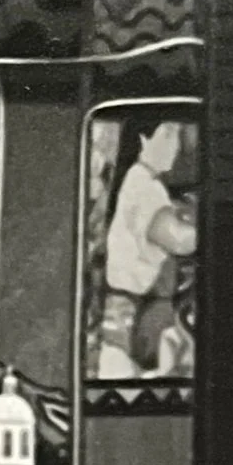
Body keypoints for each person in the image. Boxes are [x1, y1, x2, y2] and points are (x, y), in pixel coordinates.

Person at [95, 117, 197, 379]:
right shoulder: (144, 187)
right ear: (143, 140)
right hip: (127, 307)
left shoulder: (144, 183)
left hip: (136, 302)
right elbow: (177, 238)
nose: (173, 149)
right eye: (167, 138)